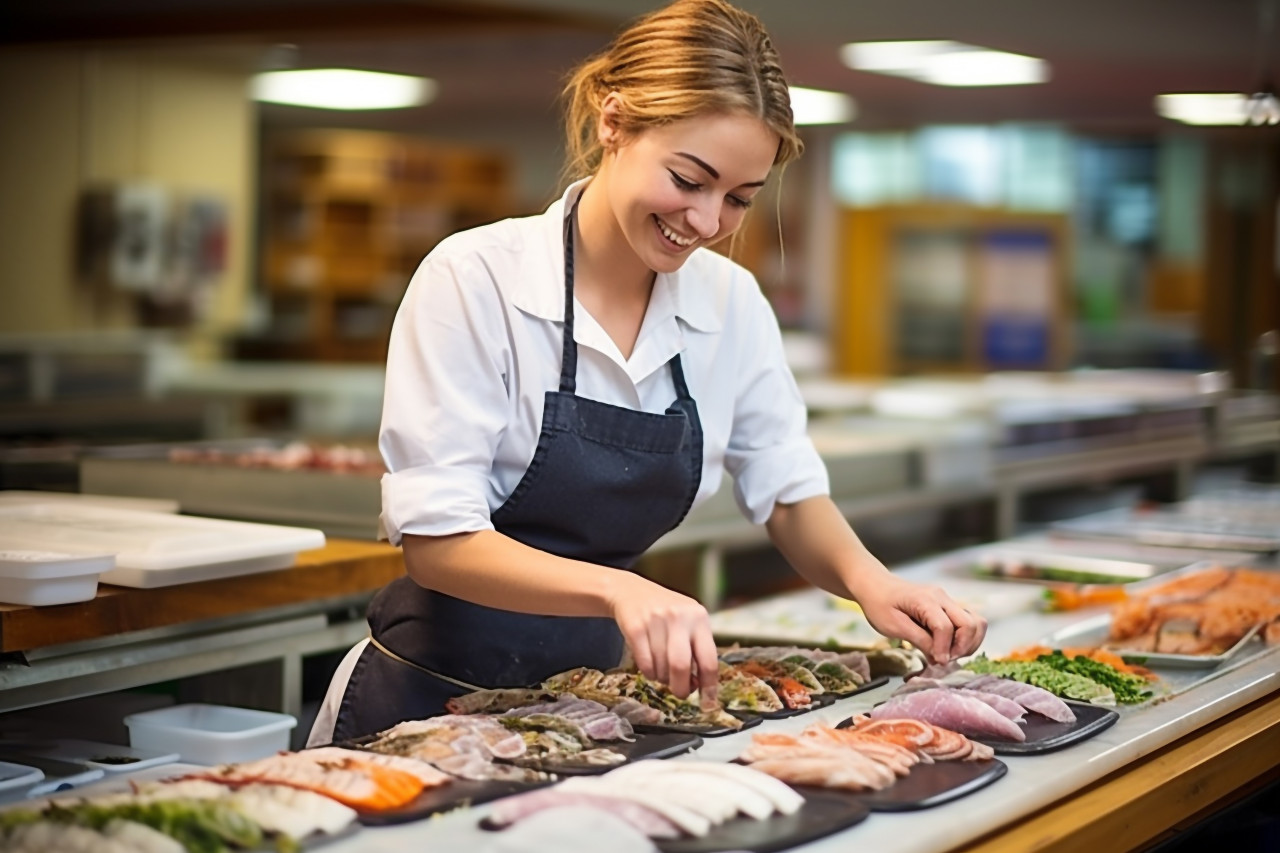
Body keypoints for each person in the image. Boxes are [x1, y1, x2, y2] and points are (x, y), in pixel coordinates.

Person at [309, 0, 986, 747]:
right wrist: (620, 588)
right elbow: (438, 543)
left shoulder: (731, 305)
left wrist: (874, 582)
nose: (706, 221)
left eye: (738, 198)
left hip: (594, 708)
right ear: (614, 122)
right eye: (689, 179)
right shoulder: (476, 279)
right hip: (425, 701)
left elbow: (788, 491)